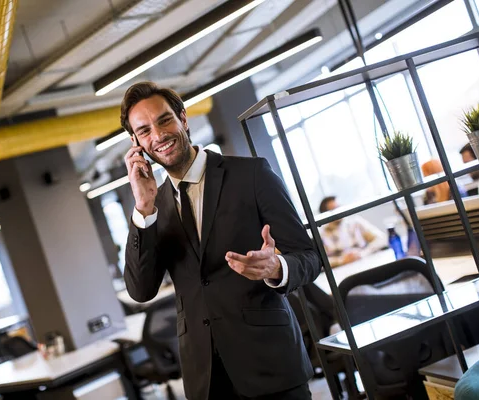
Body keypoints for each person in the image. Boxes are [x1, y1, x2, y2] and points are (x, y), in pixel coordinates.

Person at [122, 82, 321, 400]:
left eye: (164, 120)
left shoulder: (251, 174)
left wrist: (276, 267)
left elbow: (309, 256)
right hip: (207, 380)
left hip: (270, 364)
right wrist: (143, 209)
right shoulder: (153, 207)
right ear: (136, 143)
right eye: (144, 130)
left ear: (183, 119)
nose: (158, 136)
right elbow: (140, 290)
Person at [318, 196, 386, 268]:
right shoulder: (322, 235)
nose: (338, 211)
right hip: (342, 269)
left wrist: (363, 253)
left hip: (365, 262)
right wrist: (341, 261)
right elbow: (320, 262)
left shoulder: (356, 223)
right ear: (324, 214)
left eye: (338, 207)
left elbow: (382, 239)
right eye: (333, 209)